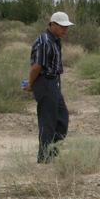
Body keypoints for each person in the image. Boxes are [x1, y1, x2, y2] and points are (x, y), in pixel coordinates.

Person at [24, 11, 72, 163]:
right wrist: (30, 84)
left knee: (62, 118)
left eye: (66, 27)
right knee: (48, 121)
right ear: (53, 24)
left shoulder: (55, 39)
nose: (65, 30)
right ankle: (44, 158)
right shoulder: (45, 41)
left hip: (53, 82)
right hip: (44, 82)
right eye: (62, 26)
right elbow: (37, 67)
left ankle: (52, 154)